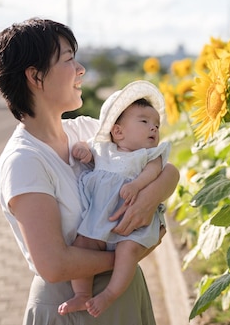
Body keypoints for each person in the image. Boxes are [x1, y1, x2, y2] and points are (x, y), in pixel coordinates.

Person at [0, 17, 180, 325]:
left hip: (126, 293)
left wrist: (150, 197)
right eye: (69, 60)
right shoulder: (24, 161)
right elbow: (53, 265)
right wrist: (129, 255)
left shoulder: (88, 131)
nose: (81, 70)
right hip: (72, 308)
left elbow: (167, 169)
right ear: (35, 77)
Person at [59, 80, 171, 317]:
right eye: (144, 122)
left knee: (128, 252)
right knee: (83, 245)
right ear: (118, 130)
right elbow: (87, 151)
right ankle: (81, 294)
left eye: (156, 125)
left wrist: (137, 185)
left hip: (130, 226)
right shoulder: (103, 148)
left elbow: (155, 172)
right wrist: (83, 150)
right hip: (100, 219)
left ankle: (110, 293)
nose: (153, 128)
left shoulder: (149, 155)